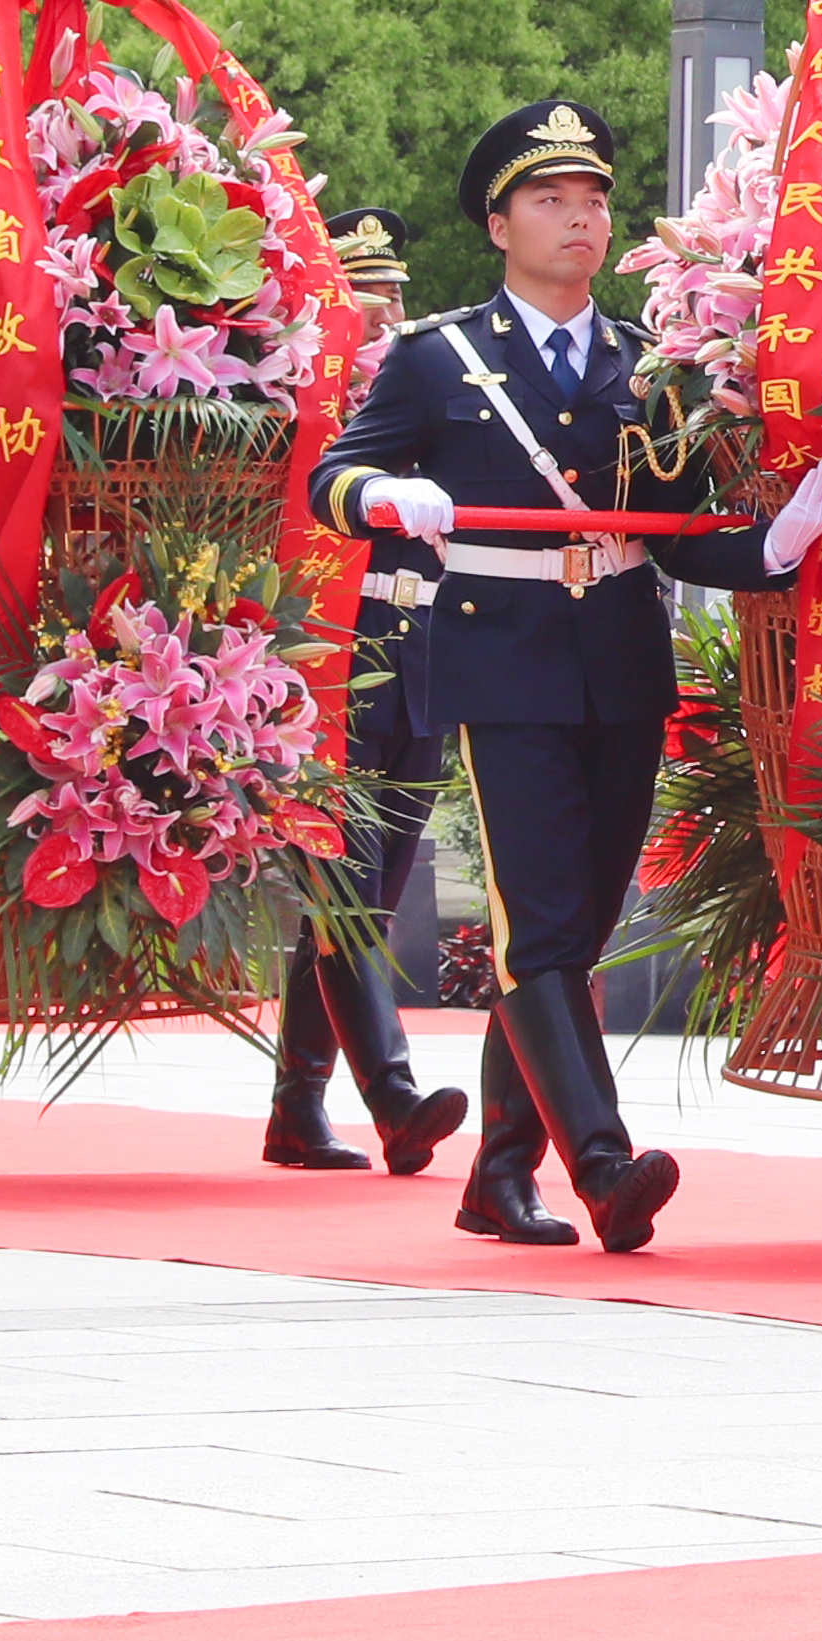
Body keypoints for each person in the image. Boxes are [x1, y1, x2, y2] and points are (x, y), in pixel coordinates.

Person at [311, 106, 822, 1251]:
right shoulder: (437, 358)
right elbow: (335, 474)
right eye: (551, 200)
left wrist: (770, 549)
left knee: (571, 932)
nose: (580, 219)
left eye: (595, 199)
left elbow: (666, 528)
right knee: (541, 928)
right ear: (499, 223)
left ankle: (496, 1179)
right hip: (497, 661)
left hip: (618, 660)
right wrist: (379, 500)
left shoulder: (645, 371)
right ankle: (603, 1166)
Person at [260, 210, 471, 1175]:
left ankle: (297, 1106)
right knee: (339, 890)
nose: (384, 310)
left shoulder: (425, 396)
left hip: (417, 653)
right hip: (327, 662)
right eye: (362, 294)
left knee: (365, 904)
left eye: (392, 291)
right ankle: (391, 1094)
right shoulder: (304, 403)